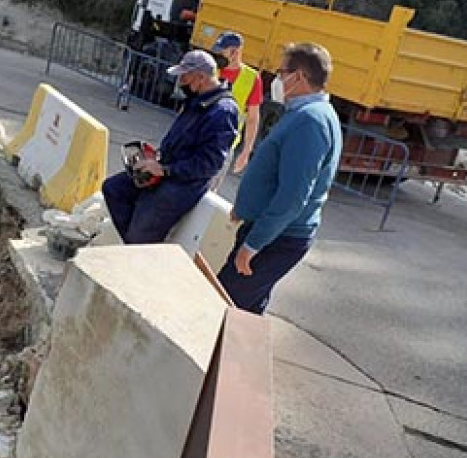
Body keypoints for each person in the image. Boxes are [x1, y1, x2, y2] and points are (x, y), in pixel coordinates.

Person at [217, 42, 342, 315]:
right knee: (244, 312)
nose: (277, 79)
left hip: (277, 239)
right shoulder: (307, 115)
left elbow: (293, 196)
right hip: (274, 235)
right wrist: (246, 209)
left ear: (298, 77)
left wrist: (253, 245)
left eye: (281, 72)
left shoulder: (310, 122)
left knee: (222, 306)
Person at [102, 50, 239, 244]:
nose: (181, 82)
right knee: (114, 188)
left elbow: (209, 165)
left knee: (141, 229)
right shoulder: (198, 100)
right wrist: (156, 157)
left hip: (184, 184)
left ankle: (140, 249)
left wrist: (165, 170)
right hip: (167, 169)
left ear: (201, 77)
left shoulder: (222, 112)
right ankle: (137, 246)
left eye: (185, 77)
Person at [212, 31, 263, 176]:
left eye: (222, 51)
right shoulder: (211, 69)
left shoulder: (251, 78)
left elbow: (252, 118)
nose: (219, 55)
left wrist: (246, 151)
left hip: (223, 146)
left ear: (235, 52)